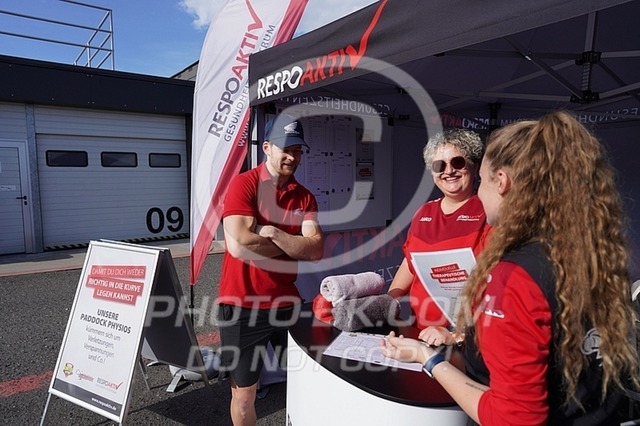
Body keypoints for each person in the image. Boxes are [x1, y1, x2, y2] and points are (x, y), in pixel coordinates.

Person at [382, 111, 639, 424]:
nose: (476, 190)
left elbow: (513, 417)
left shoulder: (515, 276)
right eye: (439, 166)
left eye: (480, 179)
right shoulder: (596, 252)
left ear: (501, 181)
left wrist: (429, 359)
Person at [217, 113, 324, 426]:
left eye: (298, 150)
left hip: (286, 302)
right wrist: (295, 243)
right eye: (286, 149)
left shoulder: (304, 196)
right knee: (243, 396)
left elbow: (316, 250)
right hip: (242, 305)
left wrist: (274, 232)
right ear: (266, 147)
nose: (293, 156)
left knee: (313, 377)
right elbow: (239, 245)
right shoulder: (244, 184)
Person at [387, 128, 490, 342]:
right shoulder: (424, 212)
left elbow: (498, 282)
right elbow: (410, 263)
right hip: (421, 332)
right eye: (439, 165)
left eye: (458, 162)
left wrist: (456, 335)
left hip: (469, 338)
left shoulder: (488, 212)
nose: (448, 171)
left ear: (474, 167)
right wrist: (388, 301)